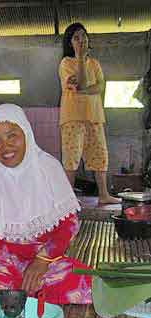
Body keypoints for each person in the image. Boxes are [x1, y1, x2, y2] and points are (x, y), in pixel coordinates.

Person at [0, 104, 92, 305]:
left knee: (85, 287)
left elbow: (68, 225)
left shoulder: (49, 168)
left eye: (12, 136)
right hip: (1, 258)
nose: (5, 147)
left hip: (44, 256)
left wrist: (42, 261)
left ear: (26, 133)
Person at [59, 22, 121, 206]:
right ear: (70, 43)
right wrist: (79, 58)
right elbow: (83, 85)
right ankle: (68, 198)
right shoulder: (66, 63)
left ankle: (103, 195)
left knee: (100, 155)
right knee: (71, 158)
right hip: (73, 118)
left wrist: (86, 88)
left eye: (83, 36)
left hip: (94, 116)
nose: (81, 40)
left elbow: (100, 87)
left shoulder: (94, 63)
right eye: (76, 37)